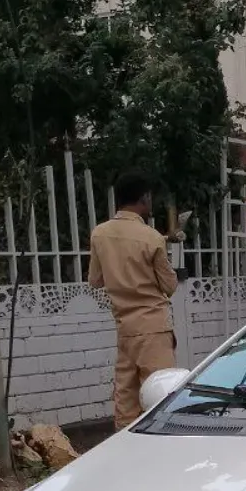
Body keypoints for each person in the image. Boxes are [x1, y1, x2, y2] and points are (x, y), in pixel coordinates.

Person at [89, 171, 180, 430]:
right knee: (161, 398)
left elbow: (95, 280)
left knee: (125, 401)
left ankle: (124, 455)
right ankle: (160, 458)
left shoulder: (99, 234)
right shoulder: (151, 237)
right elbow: (170, 286)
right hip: (153, 327)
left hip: (124, 328)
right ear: (144, 198)